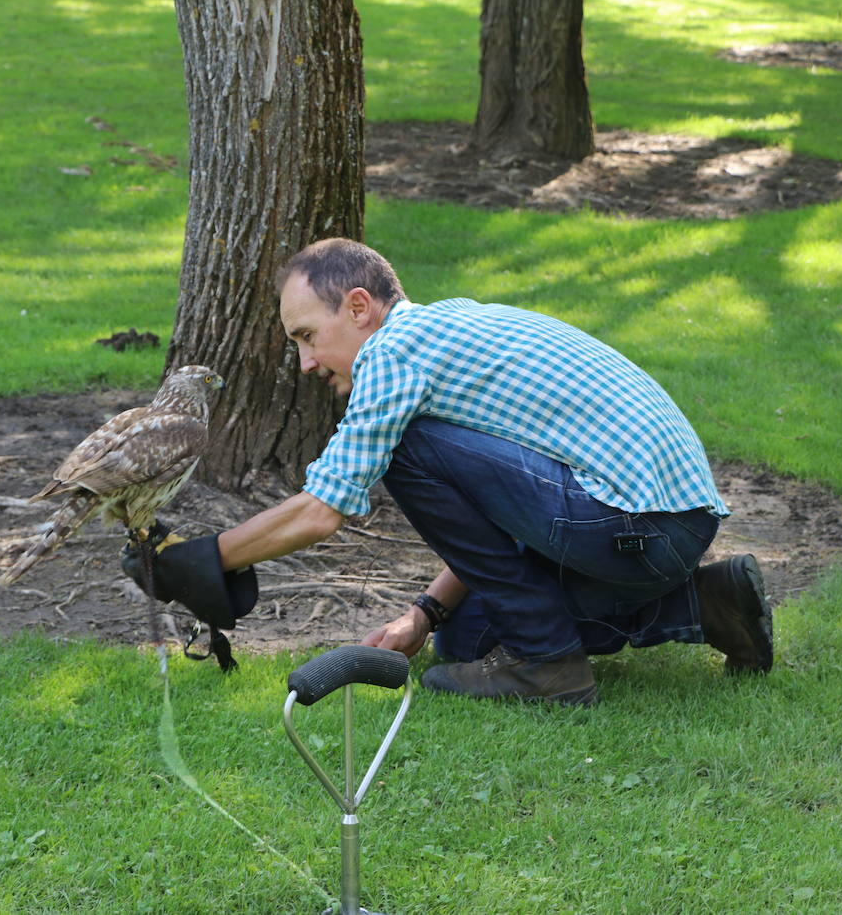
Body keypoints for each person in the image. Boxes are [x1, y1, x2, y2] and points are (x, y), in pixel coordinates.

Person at [126, 238, 771, 706]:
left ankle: (551, 666)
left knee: (404, 448)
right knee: (466, 639)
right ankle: (709, 603)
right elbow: (501, 502)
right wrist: (426, 614)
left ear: (358, 308)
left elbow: (325, 507)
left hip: (635, 521)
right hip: (660, 525)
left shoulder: (392, 352)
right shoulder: (444, 329)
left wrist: (208, 559)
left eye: (305, 336)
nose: (304, 363)